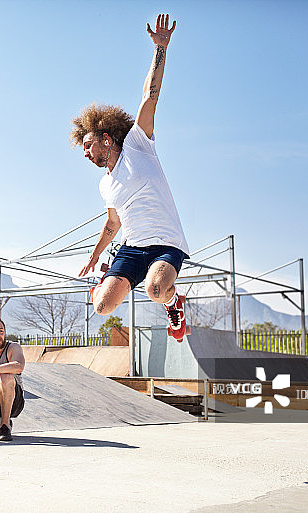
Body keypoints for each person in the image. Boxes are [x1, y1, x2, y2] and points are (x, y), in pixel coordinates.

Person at [72, 13, 190, 342]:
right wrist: (96, 255)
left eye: (87, 144)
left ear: (106, 138)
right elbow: (113, 223)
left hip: (166, 243)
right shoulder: (105, 184)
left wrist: (160, 49)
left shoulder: (139, 145)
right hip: (131, 248)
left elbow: (149, 96)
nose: (85, 152)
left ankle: (174, 303)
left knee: (155, 289)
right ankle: (113, 278)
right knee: (102, 307)